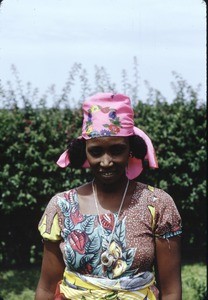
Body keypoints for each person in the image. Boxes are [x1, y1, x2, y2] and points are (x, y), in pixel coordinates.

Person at [35, 93, 182, 300]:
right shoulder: (62, 206)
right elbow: (46, 288)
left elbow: (171, 291)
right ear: (85, 152)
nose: (106, 161)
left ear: (130, 150)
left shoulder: (157, 204)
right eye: (96, 152)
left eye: (116, 150)